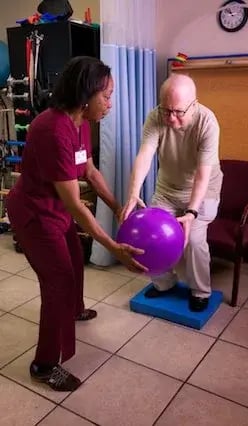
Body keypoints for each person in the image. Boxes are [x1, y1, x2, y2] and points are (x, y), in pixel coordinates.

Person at [6, 56, 147, 392]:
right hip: (34, 215)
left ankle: (74, 309)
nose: (110, 104)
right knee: (58, 281)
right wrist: (112, 246)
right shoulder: (51, 129)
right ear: (86, 94)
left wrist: (116, 207)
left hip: (54, 208)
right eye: (107, 95)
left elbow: (90, 171)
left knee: (75, 264)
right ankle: (43, 364)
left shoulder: (81, 122)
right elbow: (74, 203)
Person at [121, 73, 223, 313]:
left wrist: (191, 212)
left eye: (178, 112)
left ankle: (200, 291)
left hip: (203, 191)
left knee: (194, 241)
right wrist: (134, 193)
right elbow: (145, 155)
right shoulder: (156, 116)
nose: (171, 118)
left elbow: (202, 174)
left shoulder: (207, 122)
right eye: (166, 110)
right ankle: (164, 283)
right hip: (167, 190)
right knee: (151, 234)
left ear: (194, 104)